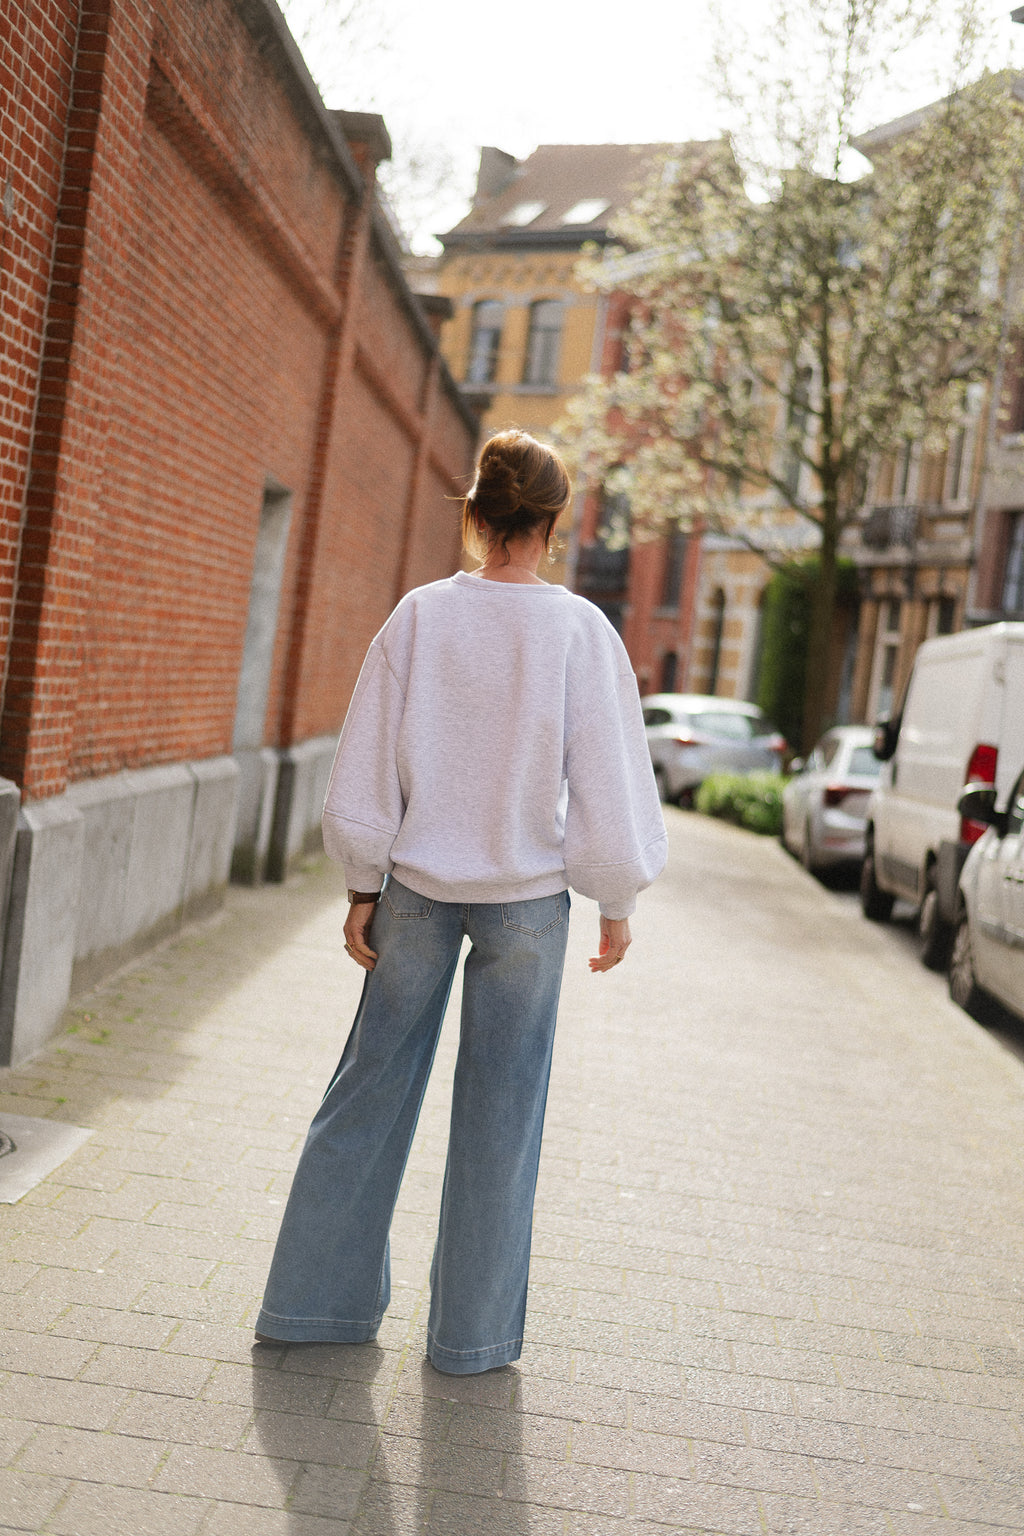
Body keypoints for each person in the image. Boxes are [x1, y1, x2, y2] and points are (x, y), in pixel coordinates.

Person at [255, 430, 667, 1374]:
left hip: (415, 892)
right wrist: (615, 900)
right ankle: (471, 1343)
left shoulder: (419, 617)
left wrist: (361, 882)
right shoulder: (579, 632)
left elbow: (365, 766)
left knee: (365, 1094)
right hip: (529, 905)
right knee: (502, 1117)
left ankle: (311, 1308)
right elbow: (607, 776)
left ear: (476, 513)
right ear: (554, 524)